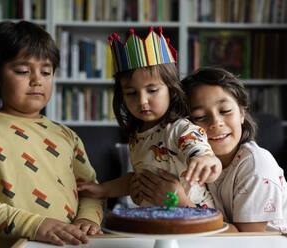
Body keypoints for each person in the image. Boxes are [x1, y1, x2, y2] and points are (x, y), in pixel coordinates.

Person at [0, 21, 104, 247]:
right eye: (22, 71)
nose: (37, 80)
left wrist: (86, 219)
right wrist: (36, 225)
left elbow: (92, 191)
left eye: (46, 71)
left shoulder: (67, 136)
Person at [132, 67, 287, 240]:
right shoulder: (188, 160)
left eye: (225, 111)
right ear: (184, 126)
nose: (216, 123)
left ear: (241, 113)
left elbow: (247, 240)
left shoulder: (256, 166)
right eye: (200, 117)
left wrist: (182, 205)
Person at [77, 27, 222, 208]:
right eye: (131, 93)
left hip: (194, 218)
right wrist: (103, 190)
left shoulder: (179, 128)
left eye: (152, 90)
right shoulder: (136, 136)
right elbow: (136, 179)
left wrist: (206, 159)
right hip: (156, 218)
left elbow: (199, 148)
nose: (142, 101)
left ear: (171, 89)